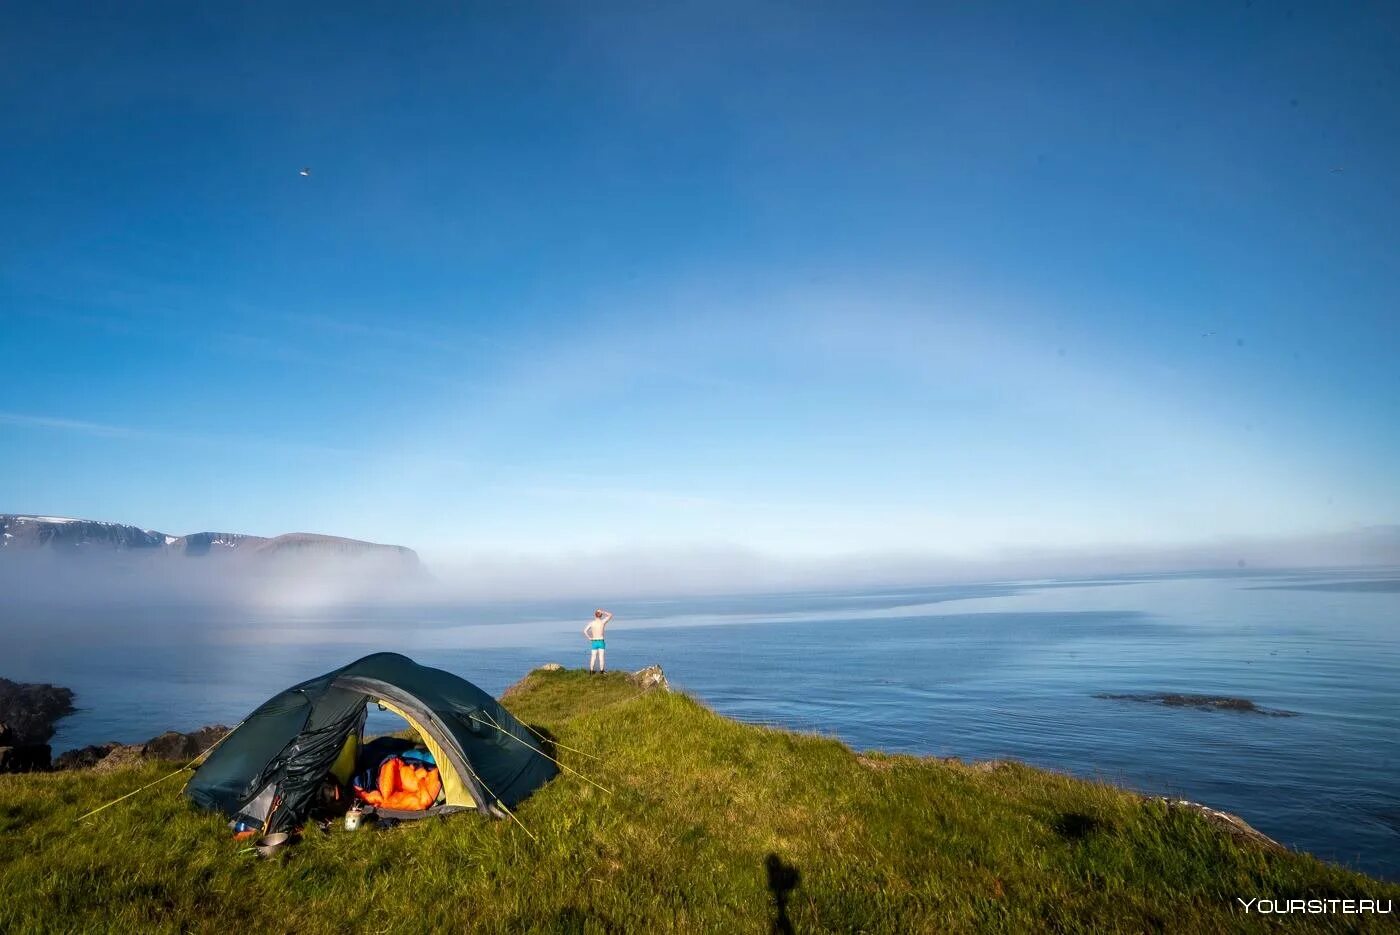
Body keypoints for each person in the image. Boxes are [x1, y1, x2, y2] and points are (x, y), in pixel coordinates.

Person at [583, 608, 612, 673]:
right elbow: (610, 615)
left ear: (595, 615)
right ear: (601, 615)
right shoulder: (602, 622)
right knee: (601, 657)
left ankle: (591, 671)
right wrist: (602, 611)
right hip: (601, 641)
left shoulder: (591, 623)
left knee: (593, 657)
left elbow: (585, 631)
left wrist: (589, 638)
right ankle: (602, 671)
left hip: (594, 641)